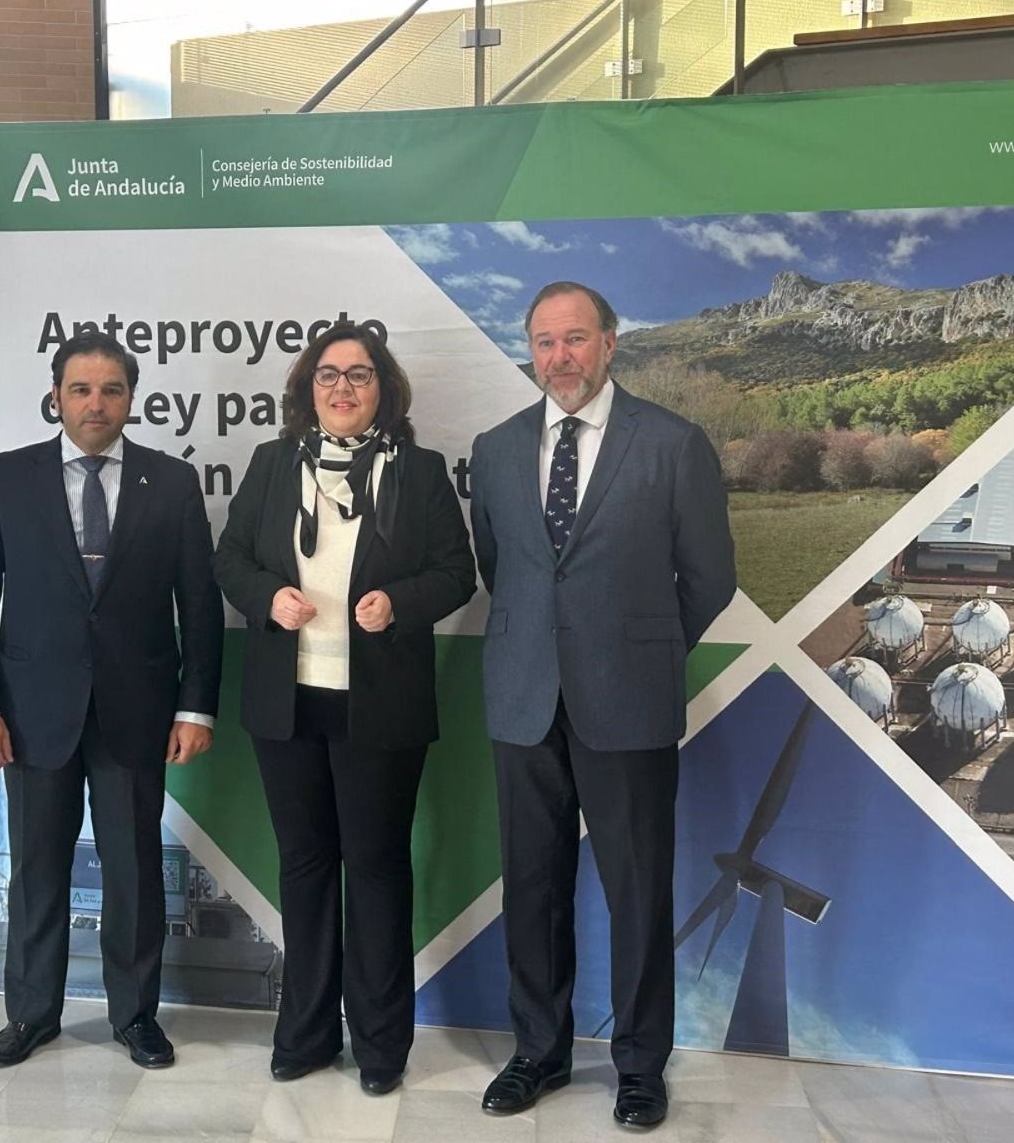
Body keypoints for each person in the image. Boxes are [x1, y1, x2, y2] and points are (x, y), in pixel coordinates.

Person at [469, 282, 736, 1127]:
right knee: (533, 886)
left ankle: (640, 1066)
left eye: (575, 339)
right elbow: (500, 567)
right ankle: (537, 1054)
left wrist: (642, 653)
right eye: (544, 342)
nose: (560, 358)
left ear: (611, 343)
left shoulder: (672, 443)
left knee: (637, 891)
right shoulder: (497, 447)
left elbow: (711, 578)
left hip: (630, 704)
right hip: (523, 699)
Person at [0, 330, 223, 1070]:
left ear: (132, 398)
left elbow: (198, 603)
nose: (95, 403)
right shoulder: (8, 478)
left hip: (137, 714)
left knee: (135, 869)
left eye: (110, 390)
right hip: (31, 716)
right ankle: (32, 1015)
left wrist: (195, 708)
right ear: (56, 396)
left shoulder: (169, 483)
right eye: (80, 389)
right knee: (38, 869)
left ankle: (136, 1017)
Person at [214, 324, 476, 1096]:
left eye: (359, 376)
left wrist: (397, 601)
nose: (342, 389)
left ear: (383, 390)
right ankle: (305, 1031)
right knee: (303, 867)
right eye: (328, 376)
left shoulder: (419, 471)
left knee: (377, 868)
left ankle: (383, 1044)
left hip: (380, 706)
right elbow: (229, 559)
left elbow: (457, 573)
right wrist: (268, 597)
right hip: (287, 701)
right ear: (308, 389)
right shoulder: (270, 464)